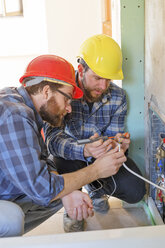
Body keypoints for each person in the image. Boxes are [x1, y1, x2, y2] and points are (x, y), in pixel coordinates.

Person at [0, 54, 127, 237]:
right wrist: (97, 171)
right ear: (46, 91)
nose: (69, 108)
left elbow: (43, 160)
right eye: (67, 99)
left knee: (61, 191)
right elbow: (42, 188)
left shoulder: (19, 102)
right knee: (12, 217)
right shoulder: (16, 115)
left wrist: (66, 192)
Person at [44, 35, 146, 232]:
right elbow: (52, 141)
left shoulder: (118, 97)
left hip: (99, 159)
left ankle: (95, 190)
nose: (103, 86)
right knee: (59, 160)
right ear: (81, 70)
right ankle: (72, 205)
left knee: (136, 191)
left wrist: (118, 145)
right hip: (70, 159)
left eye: (108, 79)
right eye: (97, 78)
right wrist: (84, 150)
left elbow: (115, 135)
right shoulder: (63, 91)